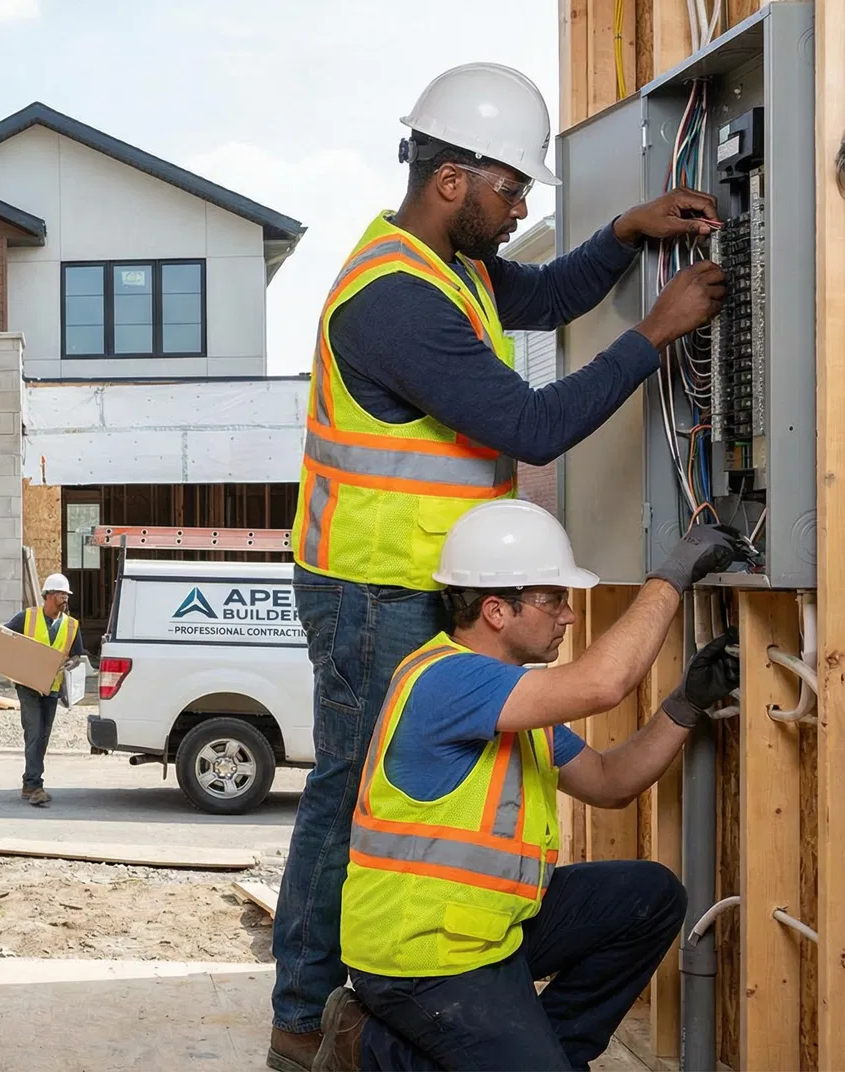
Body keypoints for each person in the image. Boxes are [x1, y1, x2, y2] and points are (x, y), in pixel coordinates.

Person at [270, 61, 730, 1069]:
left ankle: (423, 1019)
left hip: (425, 584)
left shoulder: (455, 269)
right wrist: (656, 332)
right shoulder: (392, 300)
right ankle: (303, 1022)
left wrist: (623, 237)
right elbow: (532, 423)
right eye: (512, 187)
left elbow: (548, 294)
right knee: (350, 795)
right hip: (370, 585)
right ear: (451, 180)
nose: (520, 205)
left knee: (422, 782)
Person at [309, 500, 739, 1071]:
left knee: (650, 896)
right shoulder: (447, 680)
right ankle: (364, 1047)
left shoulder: (509, 703)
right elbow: (605, 683)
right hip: (420, 957)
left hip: (488, 932)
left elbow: (611, 782)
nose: (568, 616)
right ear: (495, 610)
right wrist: (672, 575)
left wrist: (684, 705)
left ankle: (552, 1054)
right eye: (553, 599)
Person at [2, 573, 84, 807]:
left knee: (43, 736)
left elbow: (77, 655)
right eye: (60, 594)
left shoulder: (71, 625)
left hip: (52, 688)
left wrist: (72, 663)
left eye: (66, 594)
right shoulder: (27, 617)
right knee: (34, 732)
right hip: (27, 686)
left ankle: (29, 782)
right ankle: (36, 786)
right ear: (47, 596)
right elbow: (4, 638)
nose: (64, 598)